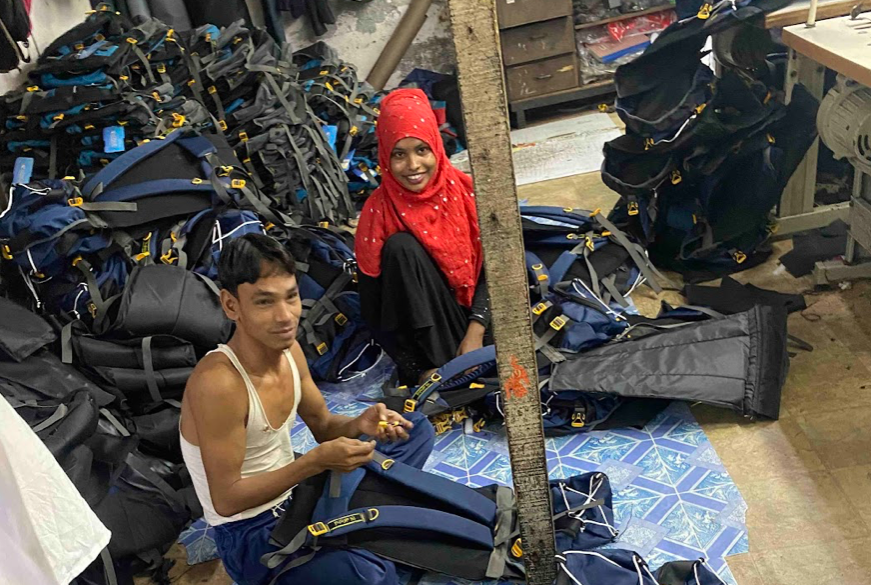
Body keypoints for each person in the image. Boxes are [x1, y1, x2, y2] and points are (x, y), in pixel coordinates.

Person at [179, 233, 434, 585]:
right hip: (251, 532)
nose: (285, 317)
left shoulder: (289, 351)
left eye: (292, 297)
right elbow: (226, 500)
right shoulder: (218, 384)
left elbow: (323, 424)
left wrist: (362, 421)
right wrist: (312, 463)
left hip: (300, 492)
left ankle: (359, 529)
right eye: (265, 303)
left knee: (415, 429)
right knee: (371, 575)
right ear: (231, 305)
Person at [356, 88, 490, 386]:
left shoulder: (468, 194)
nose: (413, 166)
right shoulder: (378, 214)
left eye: (421, 150)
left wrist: (476, 333)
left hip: (483, 324)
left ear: (437, 148)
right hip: (432, 351)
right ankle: (442, 373)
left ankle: (467, 367)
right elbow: (375, 312)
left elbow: (499, 272)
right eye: (399, 154)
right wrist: (416, 370)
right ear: (384, 158)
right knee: (401, 248)